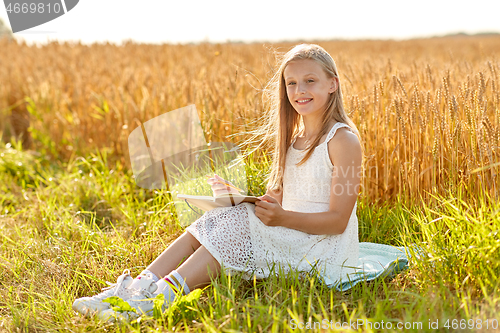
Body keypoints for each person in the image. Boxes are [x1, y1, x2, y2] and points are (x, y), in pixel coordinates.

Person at [72, 43, 363, 322]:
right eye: (291, 83)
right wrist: (240, 199)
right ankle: (138, 287)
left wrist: (281, 217)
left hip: (324, 249)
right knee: (223, 214)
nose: (299, 90)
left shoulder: (342, 141)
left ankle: (160, 298)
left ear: (332, 84)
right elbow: (274, 201)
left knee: (237, 223)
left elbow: (338, 221)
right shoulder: (294, 139)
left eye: (310, 80)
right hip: (294, 233)